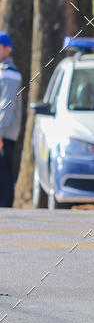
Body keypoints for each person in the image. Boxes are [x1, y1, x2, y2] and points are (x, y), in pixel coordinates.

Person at [0, 32, 23, 208]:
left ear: (7, 49)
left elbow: (6, 106)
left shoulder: (9, 74)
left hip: (4, 132)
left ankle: (6, 207)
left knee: (4, 171)